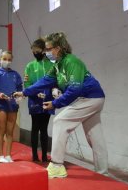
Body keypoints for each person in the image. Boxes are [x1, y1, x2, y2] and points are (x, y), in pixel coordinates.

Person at [14, 32, 107, 178]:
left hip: (89, 98)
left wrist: (55, 103)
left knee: (60, 121)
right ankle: (103, 172)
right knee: (95, 136)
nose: (46, 52)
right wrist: (25, 93)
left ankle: (57, 165)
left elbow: (75, 89)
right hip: (89, 99)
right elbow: (44, 81)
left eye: (49, 49)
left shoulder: (72, 62)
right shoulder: (57, 65)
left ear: (58, 48)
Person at [24, 38, 55, 162]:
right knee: (35, 127)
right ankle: (34, 155)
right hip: (34, 101)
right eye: (33, 51)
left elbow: (54, 82)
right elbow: (27, 84)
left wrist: (50, 93)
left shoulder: (51, 65)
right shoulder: (30, 66)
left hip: (47, 100)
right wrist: (36, 94)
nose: (35, 53)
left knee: (44, 129)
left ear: (43, 50)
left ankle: (44, 155)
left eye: (37, 51)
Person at [0, 51, 23, 163]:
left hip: (13, 104)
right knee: (1, 129)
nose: (7, 61)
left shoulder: (15, 74)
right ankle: (0, 155)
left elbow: (19, 88)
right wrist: (0, 95)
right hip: (0, 104)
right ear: (0, 59)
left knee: (10, 131)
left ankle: (8, 155)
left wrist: (19, 97)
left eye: (9, 59)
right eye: (5, 59)